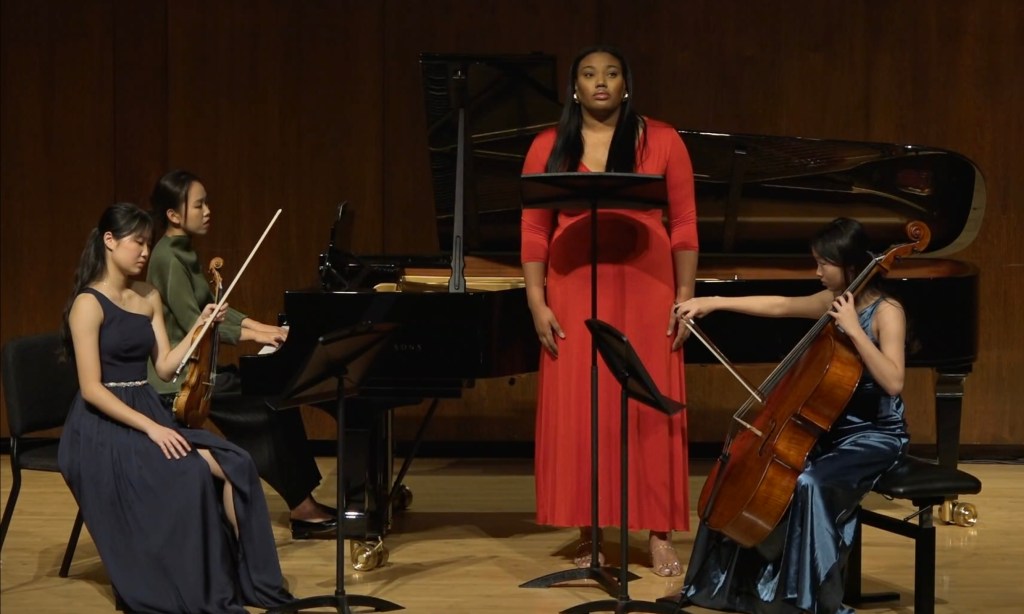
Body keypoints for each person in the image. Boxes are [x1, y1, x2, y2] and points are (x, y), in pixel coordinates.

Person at [58, 203, 294, 613]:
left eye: (149, 243)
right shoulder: (88, 304)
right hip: (101, 427)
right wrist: (152, 428)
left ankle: (247, 579)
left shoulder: (148, 295)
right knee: (188, 476)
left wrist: (200, 328)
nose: (146, 251)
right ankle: (197, 585)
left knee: (236, 464)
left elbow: (166, 368)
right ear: (109, 242)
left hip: (145, 409)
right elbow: (92, 389)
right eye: (138, 242)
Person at [671, 217, 910, 613]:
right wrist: (713, 303)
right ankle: (725, 588)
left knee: (810, 482)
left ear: (849, 263)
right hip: (830, 433)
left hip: (876, 436)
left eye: (823, 263)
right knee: (749, 475)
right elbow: (780, 305)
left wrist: (853, 330)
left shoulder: (888, 312)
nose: (817, 272)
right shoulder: (832, 300)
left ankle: (809, 601)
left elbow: (894, 381)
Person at [520, 44, 698, 576]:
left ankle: (659, 532)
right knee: (581, 405)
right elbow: (534, 230)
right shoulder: (547, 145)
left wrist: (685, 297)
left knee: (648, 401)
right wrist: (536, 300)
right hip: (572, 287)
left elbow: (685, 223)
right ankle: (588, 531)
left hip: (647, 284)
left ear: (627, 83)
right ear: (575, 88)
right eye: (589, 74)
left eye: (612, 73)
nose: (601, 82)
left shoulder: (662, 139)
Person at [146, 169, 336, 539]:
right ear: (173, 215)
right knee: (267, 406)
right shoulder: (168, 258)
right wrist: (255, 335)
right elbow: (196, 322)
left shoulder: (181, 251)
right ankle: (302, 508)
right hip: (179, 381)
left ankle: (303, 503)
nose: (207, 210)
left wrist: (268, 330)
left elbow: (215, 309)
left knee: (276, 398)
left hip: (198, 372)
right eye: (198, 205)